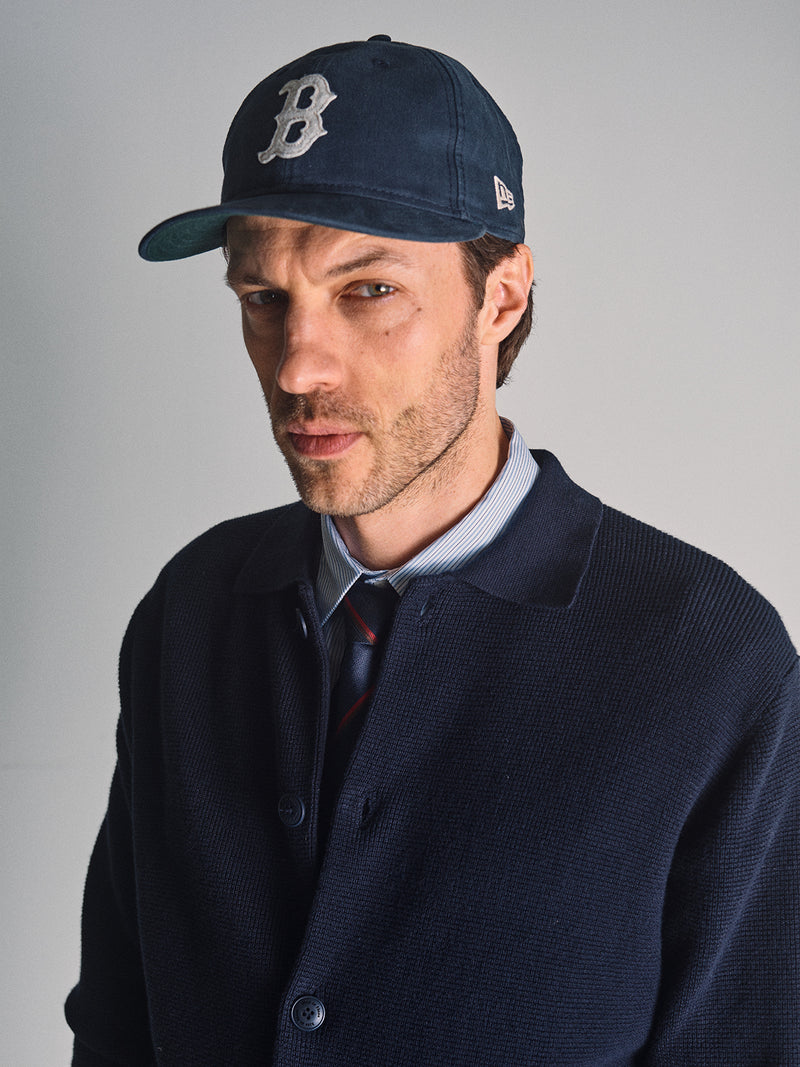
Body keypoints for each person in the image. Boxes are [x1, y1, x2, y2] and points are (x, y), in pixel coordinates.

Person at [65, 36, 799, 1066]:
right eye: (262, 297)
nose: (297, 366)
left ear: (500, 296)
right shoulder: (191, 614)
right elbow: (118, 1024)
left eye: (367, 290)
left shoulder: (706, 660)